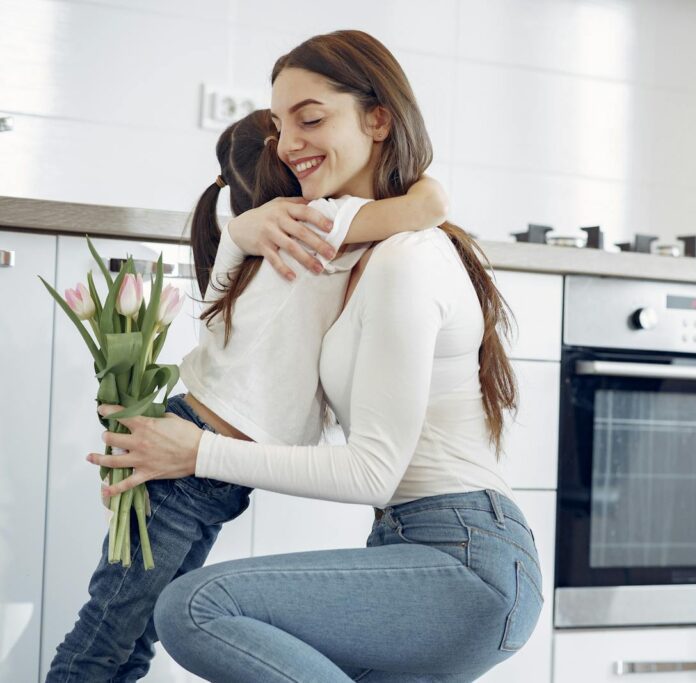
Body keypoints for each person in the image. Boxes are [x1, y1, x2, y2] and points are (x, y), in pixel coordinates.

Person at [87, 30, 543, 682]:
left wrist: (196, 453)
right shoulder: (342, 247)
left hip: (464, 556)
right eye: (279, 127)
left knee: (196, 607)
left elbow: (373, 473)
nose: (289, 142)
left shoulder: (404, 260)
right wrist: (237, 228)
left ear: (378, 118)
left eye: (311, 118)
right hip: (410, 545)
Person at [47, 108, 449, 683]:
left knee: (125, 638)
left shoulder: (246, 241)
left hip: (198, 467)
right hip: (187, 467)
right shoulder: (315, 221)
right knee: (106, 640)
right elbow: (430, 205)